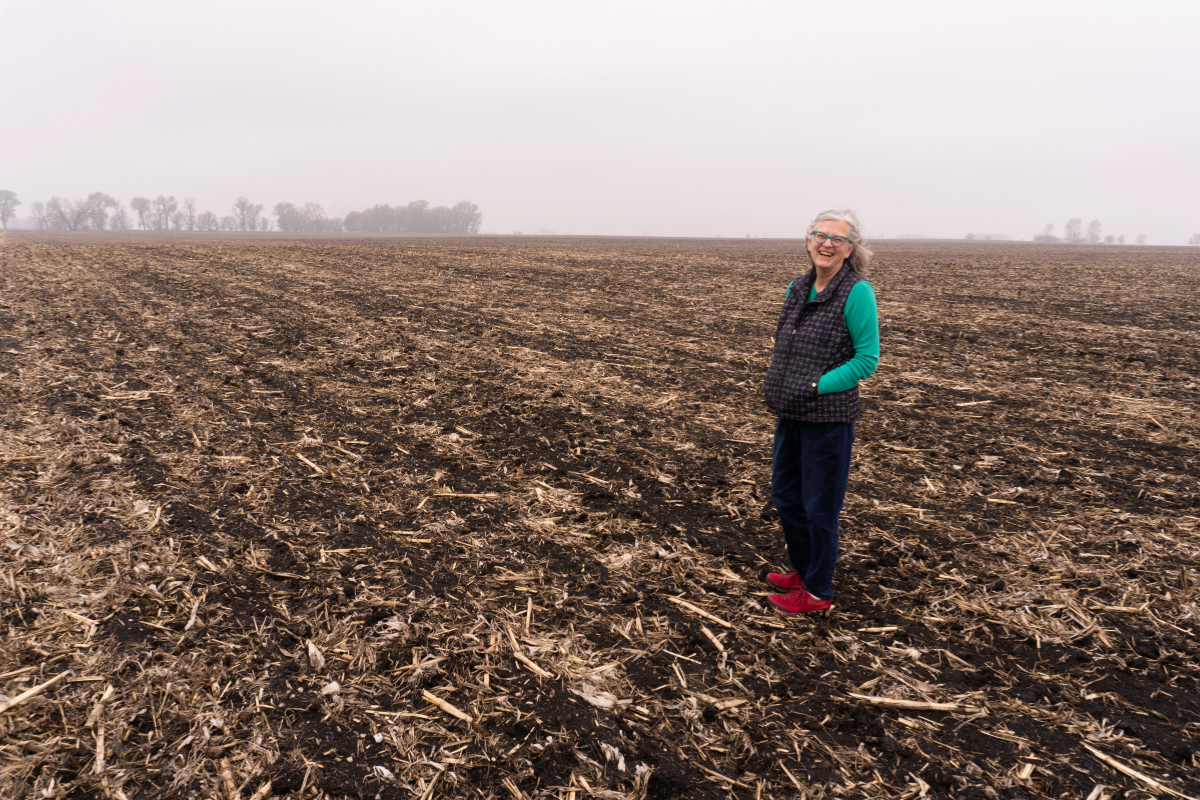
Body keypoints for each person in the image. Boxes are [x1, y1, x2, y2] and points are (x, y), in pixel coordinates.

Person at [762, 209, 879, 615]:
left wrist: (816, 386)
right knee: (786, 498)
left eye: (838, 239)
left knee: (819, 508)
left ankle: (817, 592)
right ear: (808, 240)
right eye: (820, 235)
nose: (827, 244)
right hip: (790, 411)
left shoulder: (856, 292)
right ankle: (804, 569)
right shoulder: (798, 286)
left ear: (850, 249)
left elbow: (867, 359)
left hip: (827, 420)